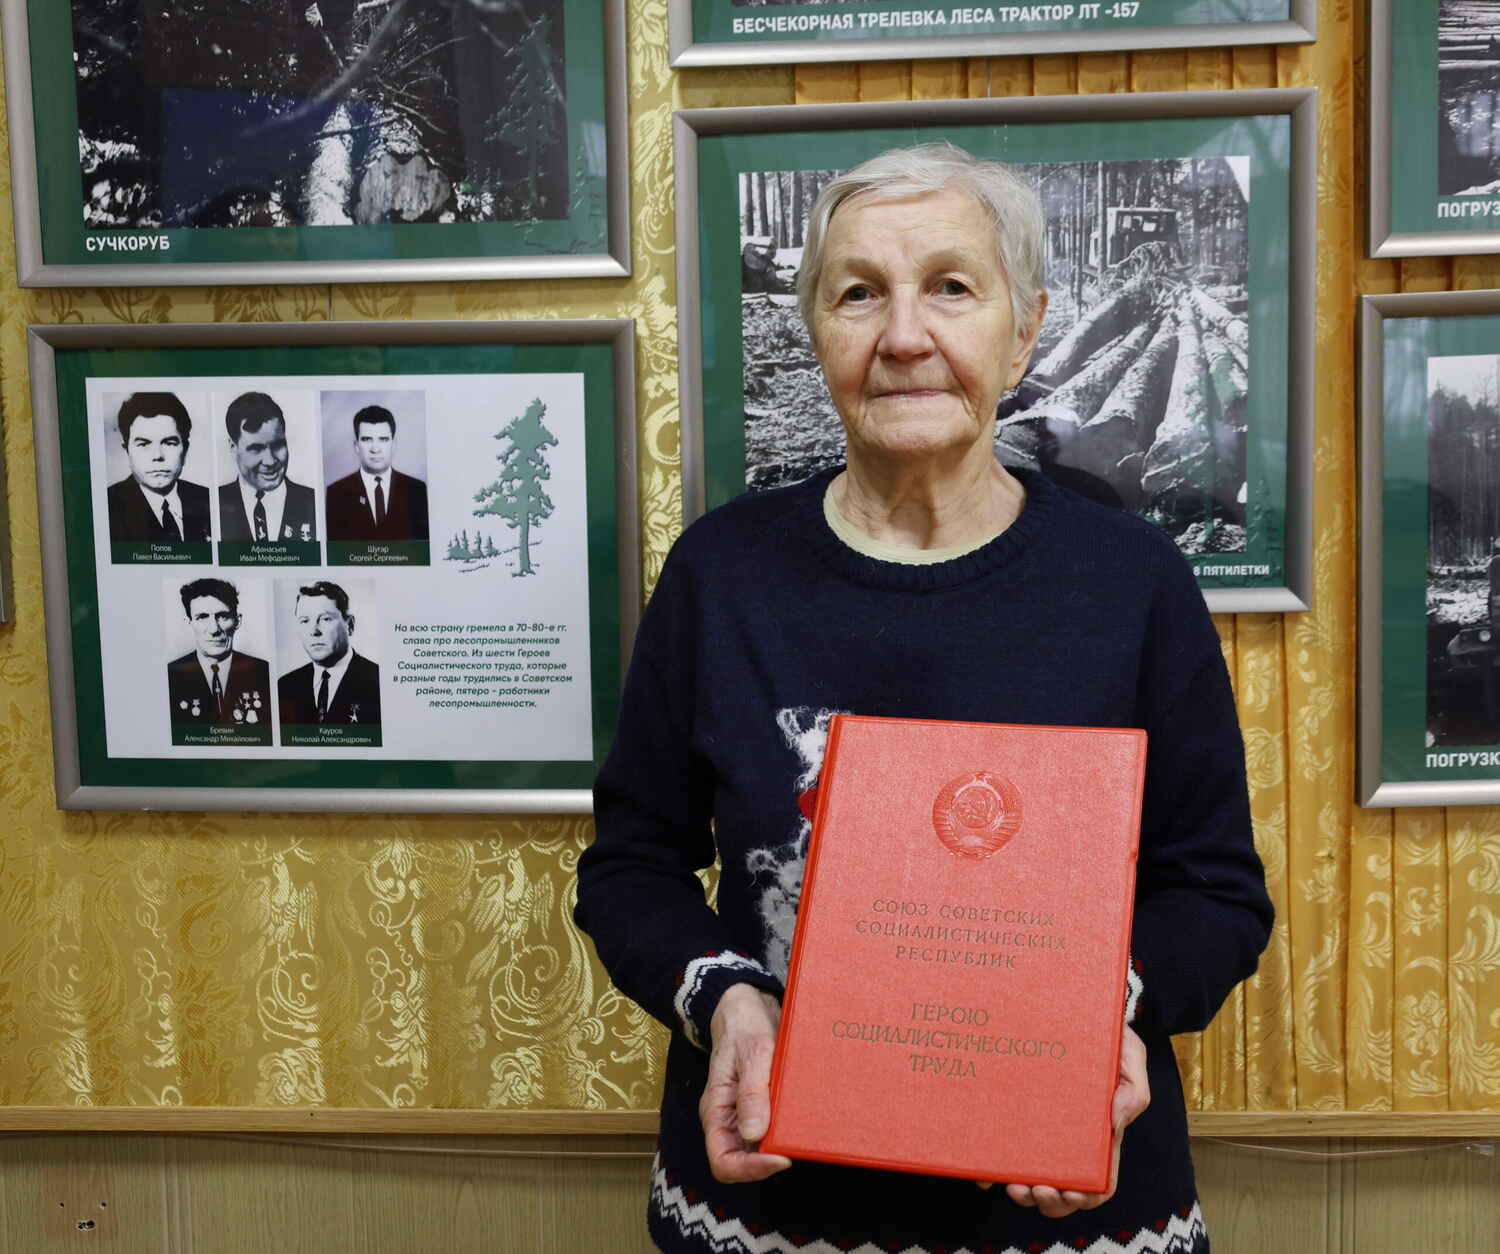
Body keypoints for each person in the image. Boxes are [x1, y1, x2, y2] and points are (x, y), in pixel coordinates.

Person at [574, 144, 1273, 1254]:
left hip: (1074, 1202)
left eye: (951, 287)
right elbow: (630, 867)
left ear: (1025, 329)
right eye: (859, 293)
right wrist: (726, 1001)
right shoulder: (721, 573)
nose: (904, 336)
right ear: (817, 327)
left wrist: (1102, 1018)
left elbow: (1218, 893)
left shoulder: (1132, 581)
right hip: (770, 1201)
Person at [105, 393, 212, 543]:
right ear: (127, 450)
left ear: (185, 449)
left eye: (169, 443)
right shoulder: (106, 506)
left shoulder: (210, 500)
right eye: (143, 444)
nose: (157, 456)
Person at [166, 578, 270, 727]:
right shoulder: (170, 676)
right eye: (202, 617)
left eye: (223, 616)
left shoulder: (264, 673)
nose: (214, 629)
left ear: (237, 621)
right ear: (189, 623)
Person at [277, 580, 381, 727]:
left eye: (325, 619)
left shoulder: (378, 680)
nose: (314, 631)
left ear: (350, 625)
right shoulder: (285, 686)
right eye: (305, 621)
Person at [218, 392, 318, 543]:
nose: (270, 461)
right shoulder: (214, 503)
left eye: (278, 445)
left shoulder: (314, 502)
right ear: (233, 447)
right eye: (256, 448)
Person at [324, 404, 430, 542]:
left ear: (393, 444)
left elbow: (423, 549)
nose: (375, 449)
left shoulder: (416, 490)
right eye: (367, 439)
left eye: (383, 439)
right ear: (356, 446)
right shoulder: (337, 493)